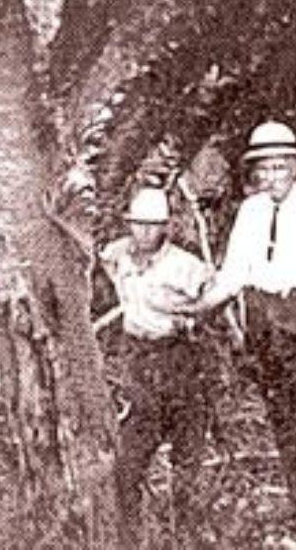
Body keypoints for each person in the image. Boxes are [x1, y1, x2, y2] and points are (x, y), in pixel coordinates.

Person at [180, 121, 296, 530]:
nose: (272, 176)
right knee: (282, 414)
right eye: (264, 168)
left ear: (295, 168)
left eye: (281, 167)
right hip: (266, 323)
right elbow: (232, 276)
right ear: (254, 172)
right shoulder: (251, 211)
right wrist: (196, 307)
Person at [99, 185, 216, 541]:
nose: (145, 232)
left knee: (187, 464)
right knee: (128, 465)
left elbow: (216, 291)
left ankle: (188, 540)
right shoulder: (118, 255)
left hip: (178, 358)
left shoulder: (183, 265)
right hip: (138, 359)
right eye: (138, 224)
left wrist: (192, 317)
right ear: (129, 224)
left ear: (165, 226)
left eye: (153, 225)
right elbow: (103, 264)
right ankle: (131, 540)